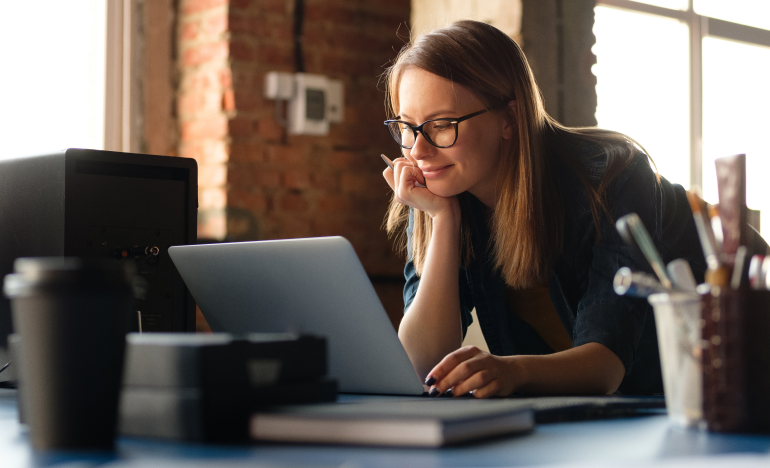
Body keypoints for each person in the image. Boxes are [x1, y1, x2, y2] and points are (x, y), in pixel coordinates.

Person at [380, 19, 707, 398]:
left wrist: (512, 371)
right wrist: (443, 219)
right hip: (604, 416)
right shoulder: (439, 189)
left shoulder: (612, 176)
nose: (418, 151)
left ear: (510, 118)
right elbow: (421, 362)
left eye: (441, 125)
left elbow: (607, 366)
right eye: (407, 127)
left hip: (727, 370)